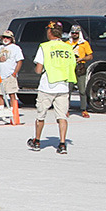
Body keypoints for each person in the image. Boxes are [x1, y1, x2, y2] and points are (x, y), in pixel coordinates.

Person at [29, 21, 75, 154]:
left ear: (50, 32)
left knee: (41, 115)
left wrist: (37, 70)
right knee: (62, 117)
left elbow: (39, 69)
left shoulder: (45, 47)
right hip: (63, 86)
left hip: (47, 86)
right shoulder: (68, 47)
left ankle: (37, 141)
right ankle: (62, 144)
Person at [0, 29, 24, 125]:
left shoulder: (16, 48)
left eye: (8, 37)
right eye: (4, 37)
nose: (5, 39)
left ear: (11, 39)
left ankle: (12, 112)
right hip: (0, 74)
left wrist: (15, 73)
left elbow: (20, 61)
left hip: (10, 74)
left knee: (11, 94)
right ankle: (2, 113)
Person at [69, 24, 92, 118]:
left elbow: (90, 56)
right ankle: (66, 109)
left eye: (76, 33)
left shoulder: (84, 43)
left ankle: (84, 109)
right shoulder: (67, 44)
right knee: (68, 89)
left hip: (80, 66)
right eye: (73, 33)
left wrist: (82, 58)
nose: (75, 34)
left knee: (82, 89)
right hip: (70, 67)